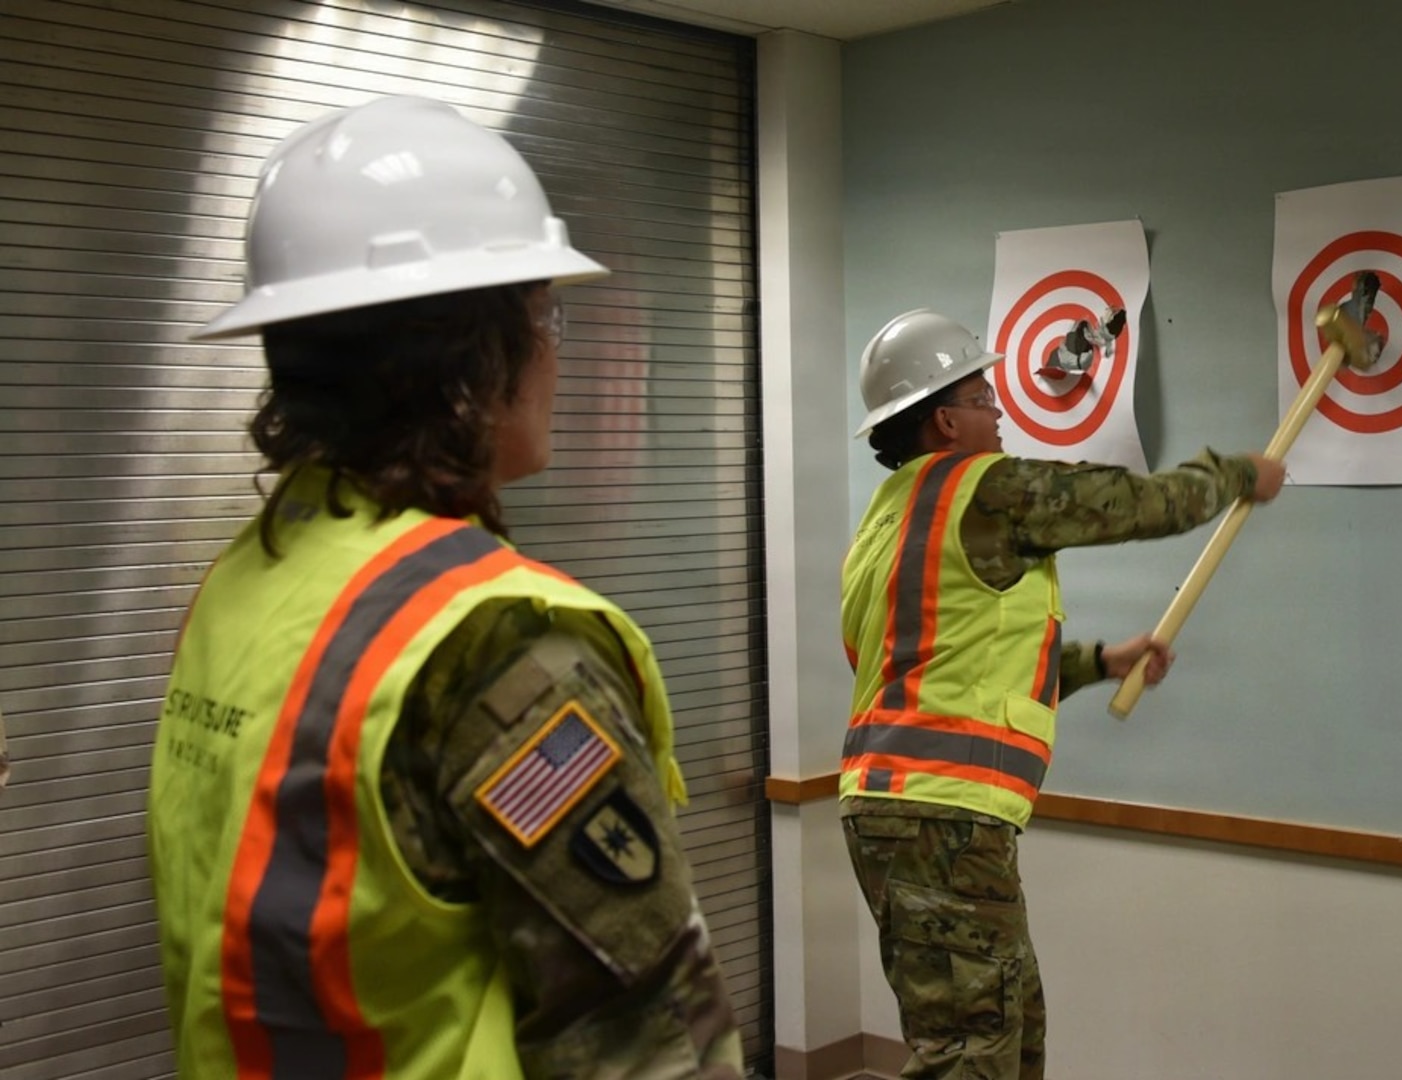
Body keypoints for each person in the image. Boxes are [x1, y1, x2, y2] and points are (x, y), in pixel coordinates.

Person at [147, 95, 742, 1080]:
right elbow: (649, 1043)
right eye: (545, 312)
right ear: (468, 358)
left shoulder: (247, 586)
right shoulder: (498, 648)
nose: (559, 349)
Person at [838, 308, 1286, 1080]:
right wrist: (1237, 474)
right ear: (945, 421)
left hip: (898, 813)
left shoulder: (887, 519)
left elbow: (944, 663)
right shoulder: (988, 490)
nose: (1000, 409)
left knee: (1007, 1031)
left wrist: (1095, 662)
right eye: (983, 397)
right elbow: (1138, 504)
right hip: (946, 817)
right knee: (972, 1053)